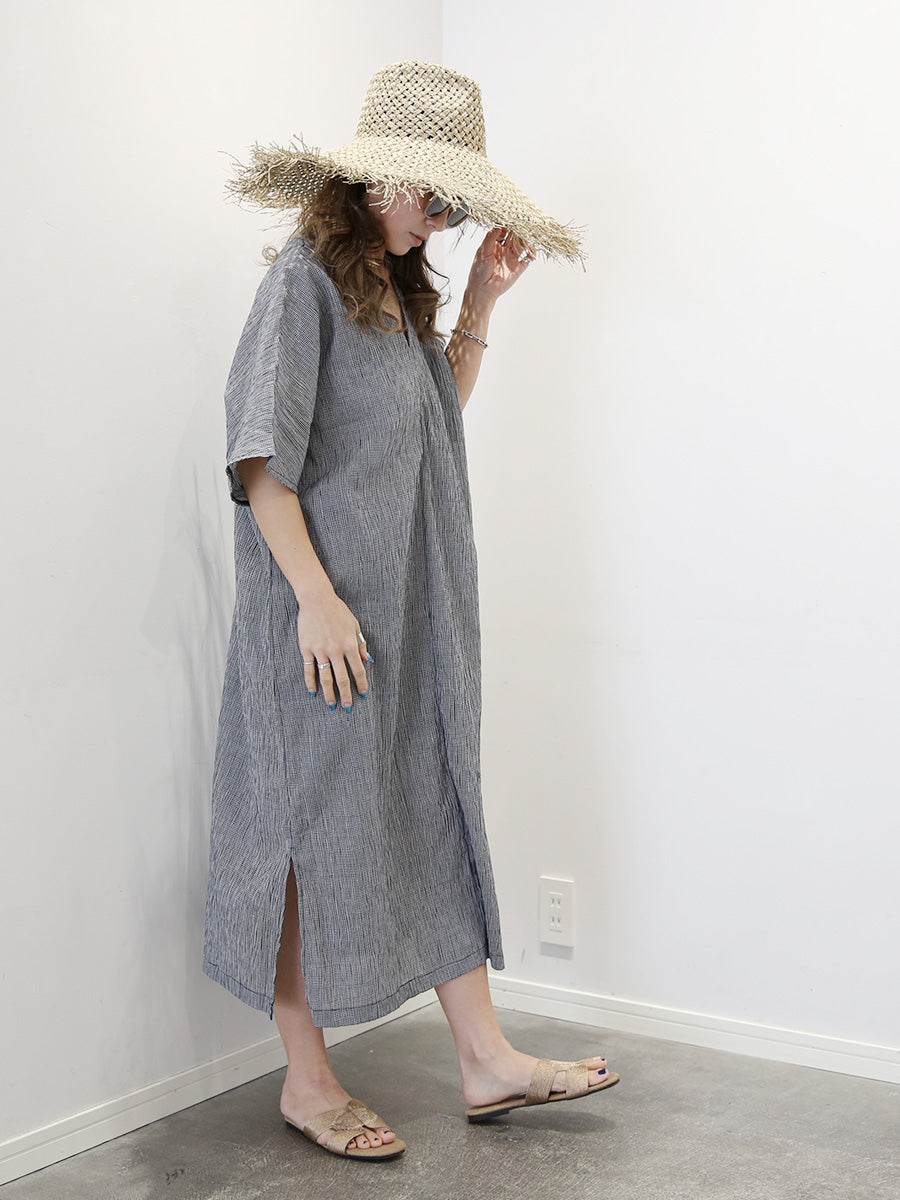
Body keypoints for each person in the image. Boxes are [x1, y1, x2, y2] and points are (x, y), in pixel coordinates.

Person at [203, 60, 618, 1161]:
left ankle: (483, 1057)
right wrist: (315, 600)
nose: (441, 219)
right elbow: (260, 461)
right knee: (305, 836)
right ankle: (306, 1081)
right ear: (377, 178)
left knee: (431, 805)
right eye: (434, 198)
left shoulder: (397, 293)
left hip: (405, 620)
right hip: (323, 626)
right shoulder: (301, 287)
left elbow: (437, 421)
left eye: (455, 206)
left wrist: (478, 302)